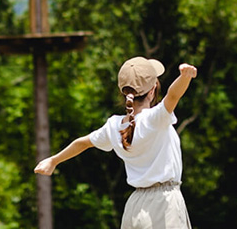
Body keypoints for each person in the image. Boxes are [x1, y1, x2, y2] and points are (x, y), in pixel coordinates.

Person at [35, 57, 198, 229]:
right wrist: (185, 77)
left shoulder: (114, 126)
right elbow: (173, 95)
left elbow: (82, 143)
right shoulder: (155, 119)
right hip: (164, 203)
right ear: (152, 91)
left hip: (135, 206)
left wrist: (53, 160)